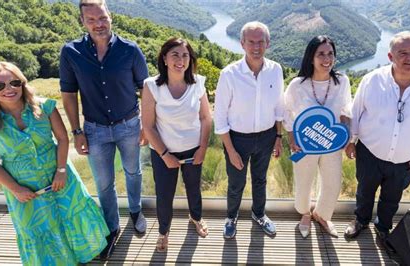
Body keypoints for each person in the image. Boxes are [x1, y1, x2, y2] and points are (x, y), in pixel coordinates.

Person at [0, 61, 110, 265]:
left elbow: (63, 139)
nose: (9, 89)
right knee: (39, 228)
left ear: (22, 82)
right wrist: (15, 189)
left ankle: (82, 257)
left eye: (14, 82)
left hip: (61, 177)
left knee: (71, 218)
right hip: (24, 188)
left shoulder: (44, 107)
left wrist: (61, 170)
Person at [59, 0, 149, 259]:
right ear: (82, 22)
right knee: (104, 183)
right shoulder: (71, 52)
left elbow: (145, 90)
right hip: (95, 130)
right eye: (91, 19)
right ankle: (112, 227)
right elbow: (68, 94)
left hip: (130, 125)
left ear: (111, 17)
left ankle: (135, 210)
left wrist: (145, 125)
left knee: (133, 172)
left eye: (102, 18)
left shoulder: (130, 50)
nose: (98, 24)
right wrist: (76, 132)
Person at [344, 31, 410, 248]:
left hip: (407, 159)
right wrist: (351, 140)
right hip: (370, 152)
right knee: (365, 190)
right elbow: (356, 110)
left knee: (392, 197)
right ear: (390, 56)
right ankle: (361, 220)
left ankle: (383, 227)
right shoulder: (372, 80)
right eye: (403, 53)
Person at [214, 21, 284, 239]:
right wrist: (231, 150)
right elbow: (220, 117)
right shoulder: (229, 74)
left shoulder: (276, 70)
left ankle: (259, 214)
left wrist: (279, 136)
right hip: (238, 140)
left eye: (260, 42)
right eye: (251, 42)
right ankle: (231, 217)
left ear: (268, 43)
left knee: (260, 180)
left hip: (266, 136)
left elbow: (279, 107)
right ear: (242, 44)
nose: (256, 47)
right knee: (236, 183)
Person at [141, 37, 211, 252]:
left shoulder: (198, 83)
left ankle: (196, 218)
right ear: (164, 58)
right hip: (164, 151)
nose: (180, 60)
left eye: (185, 55)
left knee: (194, 189)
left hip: (192, 150)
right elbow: (148, 126)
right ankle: (163, 231)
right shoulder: (151, 86)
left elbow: (206, 118)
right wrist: (164, 154)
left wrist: (202, 149)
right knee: (164, 194)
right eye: (175, 55)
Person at [284, 35, 352, 238]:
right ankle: (305, 214)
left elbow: (347, 108)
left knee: (332, 184)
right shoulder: (298, 85)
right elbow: (287, 111)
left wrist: (347, 132)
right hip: (304, 144)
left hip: (332, 144)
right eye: (321, 54)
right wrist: (291, 138)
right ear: (311, 57)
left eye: (330, 53)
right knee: (304, 182)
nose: (326, 58)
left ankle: (322, 215)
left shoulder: (342, 81)